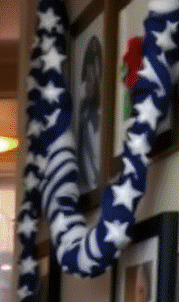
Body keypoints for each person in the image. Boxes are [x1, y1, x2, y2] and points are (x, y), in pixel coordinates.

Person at [78, 36, 103, 195]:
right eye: (86, 76)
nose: (87, 82)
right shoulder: (83, 114)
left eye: (91, 76)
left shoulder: (99, 118)